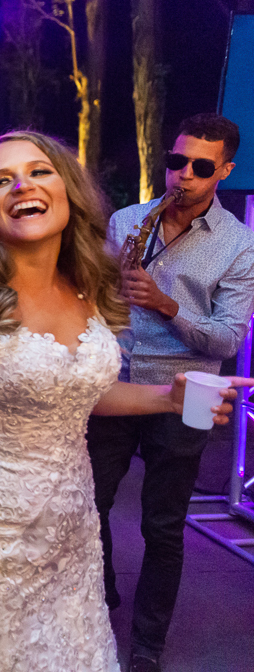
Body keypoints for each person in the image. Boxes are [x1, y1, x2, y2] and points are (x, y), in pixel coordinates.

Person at [0, 131, 242, 672]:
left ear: (67, 190)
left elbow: (76, 392)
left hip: (69, 534)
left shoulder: (90, 289)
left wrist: (167, 398)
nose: (22, 186)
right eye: (1, 180)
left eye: (39, 171)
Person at [87, 114, 254, 672]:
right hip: (117, 380)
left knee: (163, 524)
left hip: (192, 389)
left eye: (200, 167)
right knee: (88, 505)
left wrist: (165, 304)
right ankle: (102, 599)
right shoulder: (128, 220)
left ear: (225, 171)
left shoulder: (239, 244)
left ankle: (147, 648)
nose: (182, 175)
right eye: (176, 161)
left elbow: (228, 337)